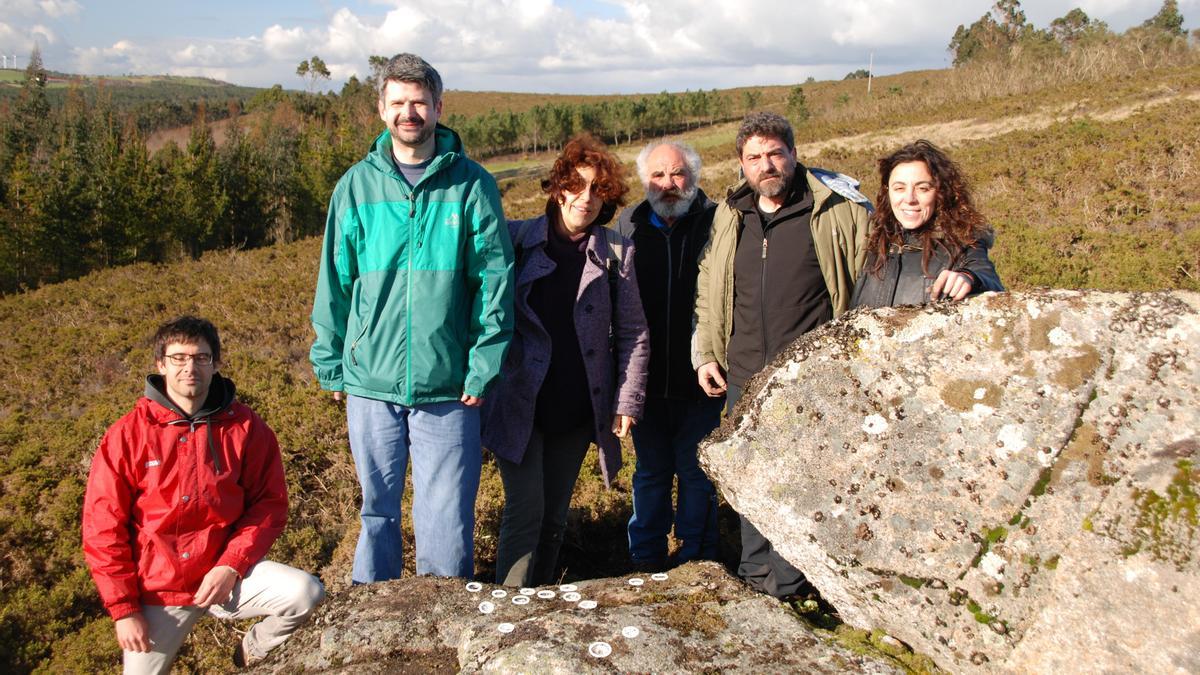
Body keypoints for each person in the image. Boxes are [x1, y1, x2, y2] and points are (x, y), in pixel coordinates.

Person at [310, 53, 513, 583]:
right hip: (370, 386)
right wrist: (332, 364)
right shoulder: (354, 187)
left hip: (448, 388)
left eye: (418, 102)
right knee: (376, 512)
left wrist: (482, 367)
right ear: (381, 109)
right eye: (397, 102)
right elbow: (335, 282)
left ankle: (442, 626)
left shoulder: (472, 186)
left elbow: (494, 283)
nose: (409, 112)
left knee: (446, 518)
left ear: (438, 107)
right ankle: (368, 625)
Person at [693, 112, 872, 599]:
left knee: (803, 485)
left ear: (793, 154)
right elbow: (711, 283)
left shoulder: (838, 210)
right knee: (750, 483)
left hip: (811, 380)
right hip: (744, 375)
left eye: (775, 153)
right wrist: (707, 351)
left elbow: (876, 269)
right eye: (754, 158)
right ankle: (755, 579)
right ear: (741, 164)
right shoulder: (731, 213)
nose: (766, 165)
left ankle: (795, 590)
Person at [82, 316, 324, 673]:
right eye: (178, 358)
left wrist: (231, 564)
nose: (190, 367)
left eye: (201, 357)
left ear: (215, 364)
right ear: (160, 365)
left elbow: (269, 506)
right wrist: (124, 609)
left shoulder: (246, 427)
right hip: (157, 591)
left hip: (226, 576)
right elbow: (103, 529)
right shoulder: (127, 434)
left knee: (307, 594)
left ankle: (254, 649)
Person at [481, 134, 649, 587]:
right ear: (558, 188)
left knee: (554, 516)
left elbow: (634, 331)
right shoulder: (515, 240)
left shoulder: (617, 251)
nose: (586, 198)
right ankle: (508, 608)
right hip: (521, 402)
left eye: (598, 189)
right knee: (525, 509)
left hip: (577, 406)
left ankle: (540, 604)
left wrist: (627, 400)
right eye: (577, 185)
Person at [616, 140, 723, 571]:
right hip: (646, 381)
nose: (668, 184)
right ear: (645, 181)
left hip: (703, 378)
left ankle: (699, 561)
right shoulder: (628, 224)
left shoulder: (718, 222)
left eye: (677, 174)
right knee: (651, 473)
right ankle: (647, 560)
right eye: (658, 176)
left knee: (698, 475)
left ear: (694, 176)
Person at [851, 139, 1003, 308]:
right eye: (899, 188)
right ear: (887, 192)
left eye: (922, 188)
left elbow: (986, 275)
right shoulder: (873, 241)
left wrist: (969, 278)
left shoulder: (962, 242)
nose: (909, 199)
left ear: (941, 192)